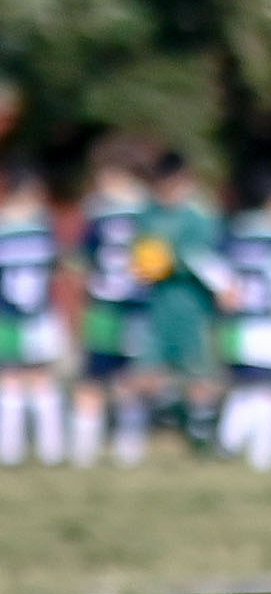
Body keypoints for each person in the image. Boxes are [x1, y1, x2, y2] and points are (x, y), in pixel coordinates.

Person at [210, 179, 271, 472]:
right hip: (270, 322)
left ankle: (235, 444)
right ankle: (249, 450)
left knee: (250, 385)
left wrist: (223, 288)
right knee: (267, 388)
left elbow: (210, 263)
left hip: (239, 323)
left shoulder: (233, 230)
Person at [72, 143, 157, 468]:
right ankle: (85, 450)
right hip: (104, 306)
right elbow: (85, 256)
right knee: (94, 375)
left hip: (135, 306)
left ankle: (128, 448)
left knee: (129, 379)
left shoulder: (149, 213)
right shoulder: (98, 210)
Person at [143, 151, 224, 453]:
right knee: (147, 378)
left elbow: (206, 259)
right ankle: (179, 415)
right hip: (158, 308)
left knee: (201, 378)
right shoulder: (148, 214)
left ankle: (202, 441)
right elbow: (141, 254)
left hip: (193, 308)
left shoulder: (199, 217)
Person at [0, 161, 67, 466]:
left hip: (23, 316)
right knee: (24, 379)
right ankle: (37, 450)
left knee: (23, 379)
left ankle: (24, 451)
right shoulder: (39, 229)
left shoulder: (39, 226)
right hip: (24, 316)